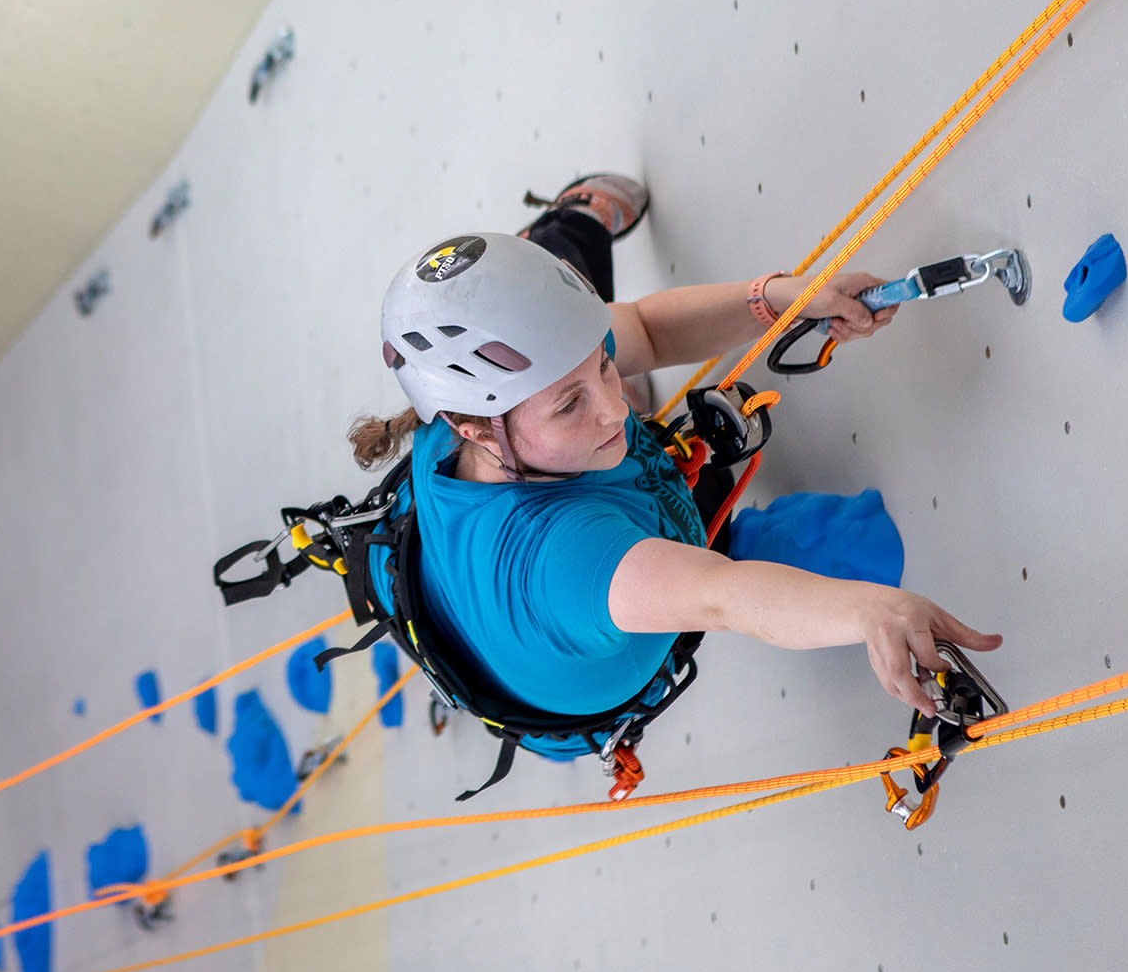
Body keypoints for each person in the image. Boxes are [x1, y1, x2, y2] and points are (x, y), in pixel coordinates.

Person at [350, 176, 1001, 730]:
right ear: (478, 432)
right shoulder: (564, 562)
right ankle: (566, 238)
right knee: (860, 555)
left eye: (604, 368)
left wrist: (785, 301)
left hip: (586, 555)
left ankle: (568, 232)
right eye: (570, 404)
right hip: (597, 580)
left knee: (567, 310)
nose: (616, 409)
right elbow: (723, 596)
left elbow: (646, 329)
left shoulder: (471, 410)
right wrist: (869, 611)